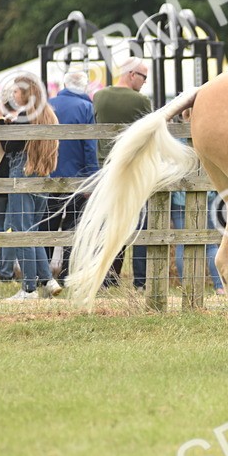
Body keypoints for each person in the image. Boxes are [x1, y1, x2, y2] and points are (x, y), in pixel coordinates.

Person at [0, 74, 61, 300]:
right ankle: (48, 280)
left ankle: (29, 289)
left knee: (21, 231)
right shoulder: (47, 115)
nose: (13, 94)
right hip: (42, 176)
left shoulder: (25, 117)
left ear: (26, 94)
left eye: (16, 91)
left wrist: (1, 120)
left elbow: (9, 146)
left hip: (22, 174)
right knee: (33, 230)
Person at [93, 57, 153, 289]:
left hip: (106, 169)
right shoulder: (141, 101)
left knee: (109, 225)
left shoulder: (99, 97)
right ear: (132, 74)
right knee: (140, 225)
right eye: (144, 77)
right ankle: (140, 280)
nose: (145, 82)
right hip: (135, 170)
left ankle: (107, 277)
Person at [45, 70, 99, 282]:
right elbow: (89, 146)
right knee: (74, 227)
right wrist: (91, 180)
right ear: (84, 87)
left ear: (65, 84)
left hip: (49, 177)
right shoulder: (86, 107)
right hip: (78, 179)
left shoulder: (48, 105)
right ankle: (67, 274)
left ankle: (42, 274)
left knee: (46, 225)